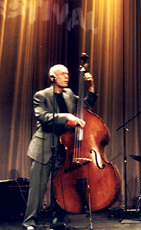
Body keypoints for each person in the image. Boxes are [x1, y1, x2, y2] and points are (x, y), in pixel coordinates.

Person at [22, 64, 97, 230]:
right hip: (43, 148)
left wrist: (90, 87)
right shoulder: (41, 95)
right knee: (37, 189)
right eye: (62, 74)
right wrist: (67, 117)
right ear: (52, 77)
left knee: (60, 188)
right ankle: (29, 223)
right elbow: (44, 116)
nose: (67, 76)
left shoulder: (69, 94)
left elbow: (84, 107)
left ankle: (58, 221)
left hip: (63, 149)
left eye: (68, 74)